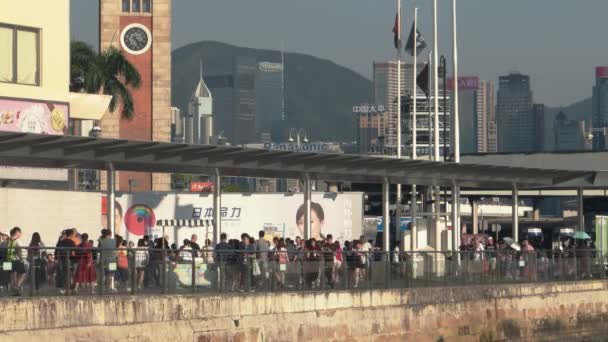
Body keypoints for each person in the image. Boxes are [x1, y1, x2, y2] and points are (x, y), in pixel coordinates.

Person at [5, 227, 26, 295]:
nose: (20, 235)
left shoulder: (8, 241)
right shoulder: (17, 241)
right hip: (15, 260)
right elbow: (20, 250)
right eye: (20, 233)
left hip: (7, 260)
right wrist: (22, 259)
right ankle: (16, 286)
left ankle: (13, 290)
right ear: (16, 232)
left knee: (12, 276)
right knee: (23, 273)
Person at [56, 229, 77, 294]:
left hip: (62, 259)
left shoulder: (62, 241)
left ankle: (65, 288)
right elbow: (75, 251)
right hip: (69, 259)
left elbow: (58, 250)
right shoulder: (71, 242)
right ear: (71, 234)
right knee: (70, 274)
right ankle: (70, 288)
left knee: (64, 274)